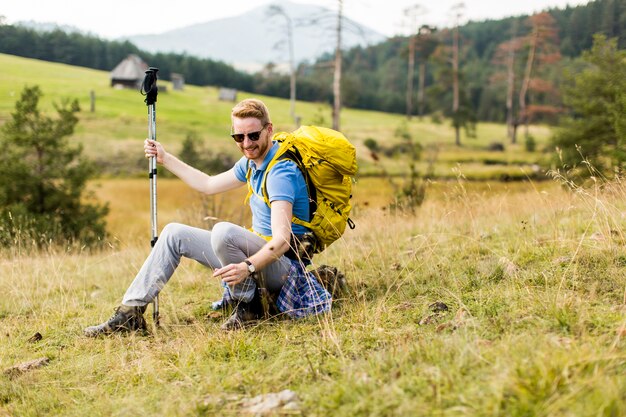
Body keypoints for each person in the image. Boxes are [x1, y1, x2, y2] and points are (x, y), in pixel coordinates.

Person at [84, 98, 330, 336]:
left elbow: (282, 241)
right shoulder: (252, 163)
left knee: (223, 232)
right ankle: (130, 315)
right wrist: (165, 158)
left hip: (284, 270)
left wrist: (248, 266)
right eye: (239, 137)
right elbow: (208, 184)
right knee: (173, 233)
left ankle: (249, 308)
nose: (246, 143)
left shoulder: (280, 173)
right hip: (258, 260)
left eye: (253, 135)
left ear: (269, 130)